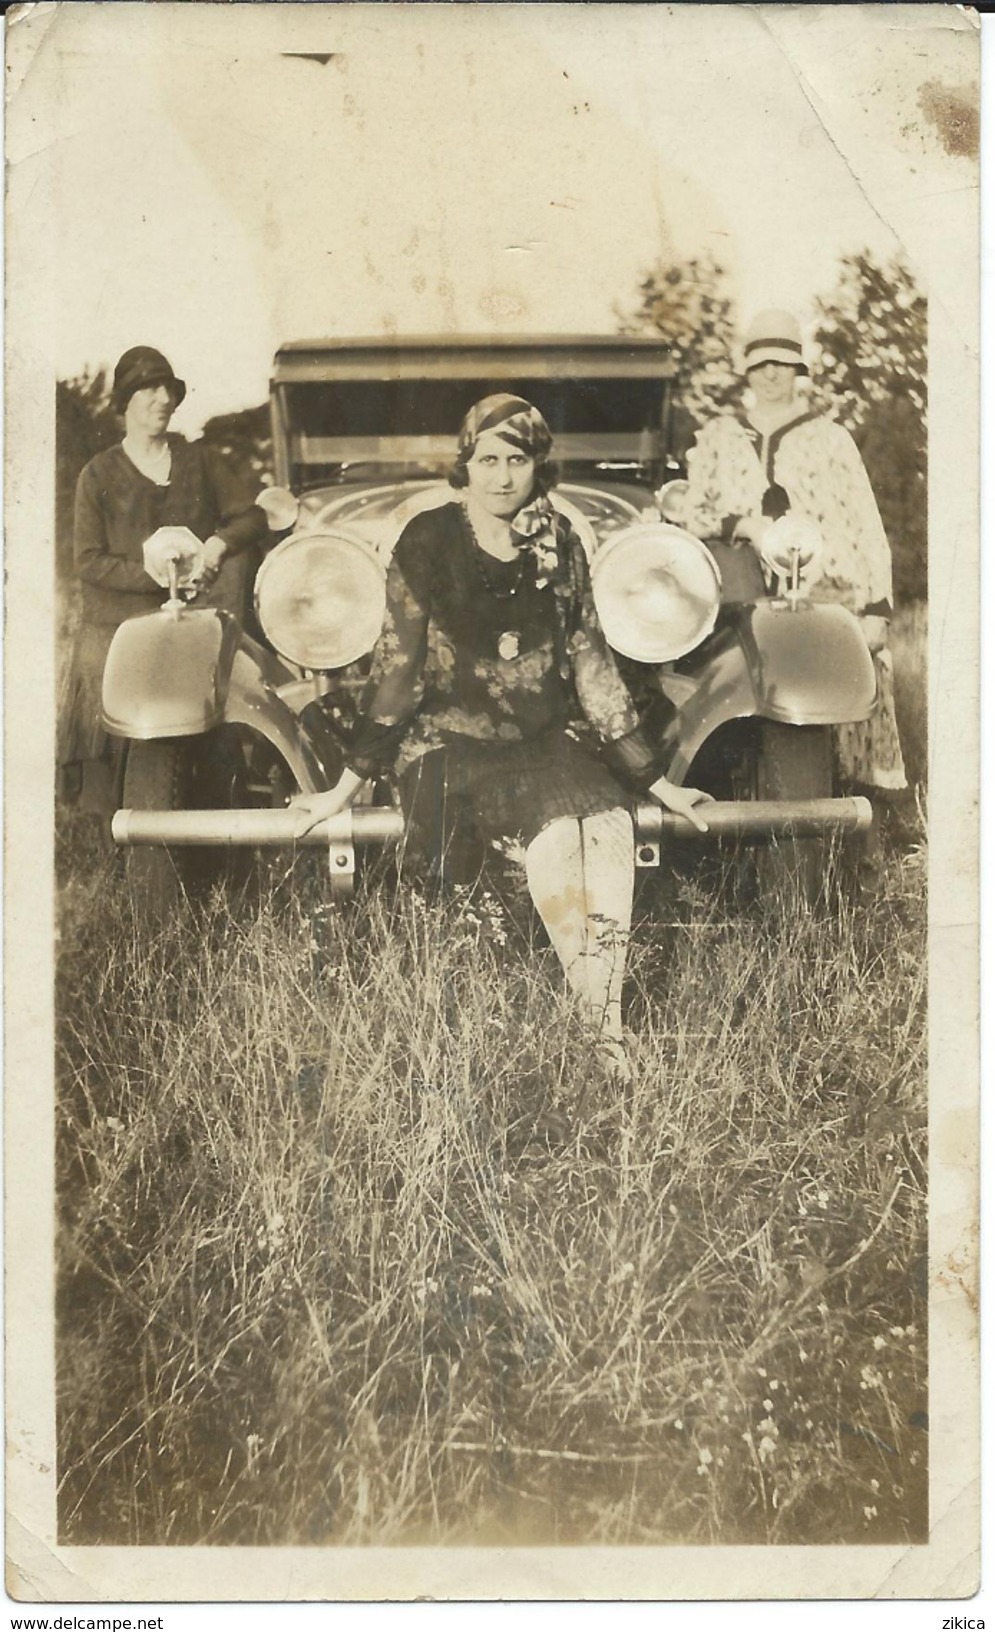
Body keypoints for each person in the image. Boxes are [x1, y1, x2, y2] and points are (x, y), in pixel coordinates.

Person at [293, 393, 711, 1076]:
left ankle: (601, 1024)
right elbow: (397, 671)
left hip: (538, 740)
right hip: (445, 742)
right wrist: (341, 789)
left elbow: (589, 662)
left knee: (605, 823)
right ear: (465, 464)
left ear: (535, 464)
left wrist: (658, 780)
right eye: (486, 459)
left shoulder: (559, 540)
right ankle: (599, 1034)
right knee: (554, 832)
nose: (500, 476)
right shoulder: (426, 540)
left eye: (515, 459)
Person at [682, 309, 908, 806]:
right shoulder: (720, 436)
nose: (771, 374)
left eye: (782, 363)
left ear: (798, 369)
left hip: (825, 592)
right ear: (746, 369)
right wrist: (741, 526)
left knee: (845, 685)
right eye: (761, 363)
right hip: (739, 592)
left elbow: (864, 523)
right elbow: (690, 510)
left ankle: (850, 818)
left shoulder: (830, 438)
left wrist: (876, 608)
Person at [59, 346, 272, 812]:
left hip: (189, 625)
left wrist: (218, 543)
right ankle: (120, 827)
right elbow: (89, 561)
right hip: (120, 623)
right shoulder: (97, 475)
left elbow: (253, 516)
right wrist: (154, 576)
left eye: (167, 390)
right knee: (108, 696)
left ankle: (219, 824)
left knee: (215, 714)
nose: (161, 399)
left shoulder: (200, 461)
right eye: (148, 389)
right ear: (125, 402)